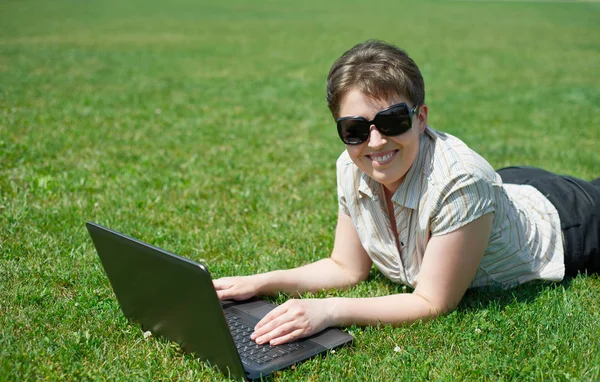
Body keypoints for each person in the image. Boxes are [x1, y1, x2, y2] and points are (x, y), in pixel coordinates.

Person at [213, 40, 600, 347]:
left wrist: (329, 311)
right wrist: (258, 282)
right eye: (355, 129)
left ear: (422, 117)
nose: (375, 141)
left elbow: (432, 301)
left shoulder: (461, 182)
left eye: (393, 120)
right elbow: (346, 267)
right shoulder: (350, 167)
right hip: (506, 190)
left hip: (569, 221)